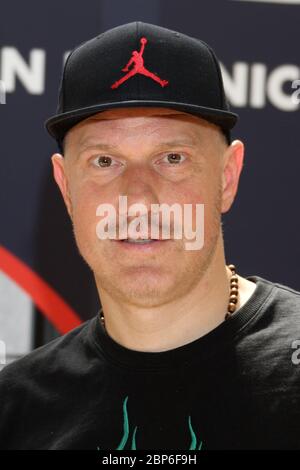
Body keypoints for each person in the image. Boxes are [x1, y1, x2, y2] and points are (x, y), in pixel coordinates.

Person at [0, 21, 300, 451]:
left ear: (227, 177)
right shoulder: (15, 407)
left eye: (172, 157)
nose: (137, 200)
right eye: (104, 161)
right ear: (67, 188)